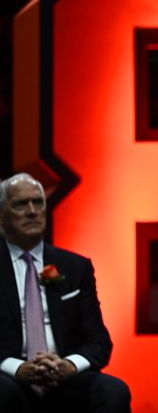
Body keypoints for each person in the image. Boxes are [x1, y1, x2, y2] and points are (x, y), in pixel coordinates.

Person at [0, 173, 131, 412]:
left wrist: (70, 365)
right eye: (20, 204)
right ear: (1, 216)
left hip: (63, 378)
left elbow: (99, 341)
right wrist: (17, 368)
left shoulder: (75, 267)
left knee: (113, 392)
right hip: (8, 378)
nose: (32, 211)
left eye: (38, 202)